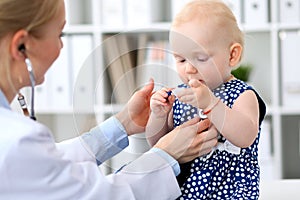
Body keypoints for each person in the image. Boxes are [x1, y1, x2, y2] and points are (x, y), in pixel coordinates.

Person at [0, 0, 219, 199]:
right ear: (22, 46)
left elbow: (48, 167)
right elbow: (100, 196)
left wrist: (123, 124)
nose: (61, 47)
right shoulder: (16, 142)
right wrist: (167, 155)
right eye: (60, 35)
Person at [145, 0, 266, 199]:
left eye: (200, 58)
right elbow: (158, 144)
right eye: (181, 59)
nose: (189, 68)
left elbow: (245, 137)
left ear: (232, 56)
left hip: (230, 189)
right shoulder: (181, 95)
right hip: (185, 189)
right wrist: (159, 115)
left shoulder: (243, 94)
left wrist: (211, 103)